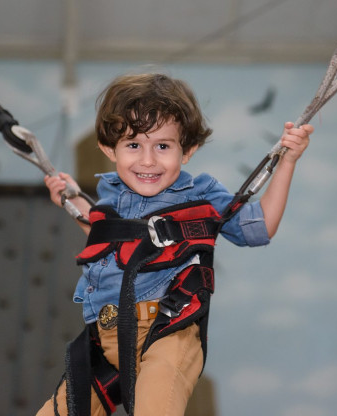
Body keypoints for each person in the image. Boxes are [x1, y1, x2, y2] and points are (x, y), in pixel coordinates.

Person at [37, 73, 312, 416]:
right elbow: (107, 238)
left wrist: (287, 162)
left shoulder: (199, 194)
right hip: (107, 336)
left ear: (188, 150)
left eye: (163, 146)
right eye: (133, 145)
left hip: (168, 330)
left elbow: (258, 227)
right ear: (109, 149)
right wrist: (72, 199)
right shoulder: (111, 193)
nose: (148, 160)